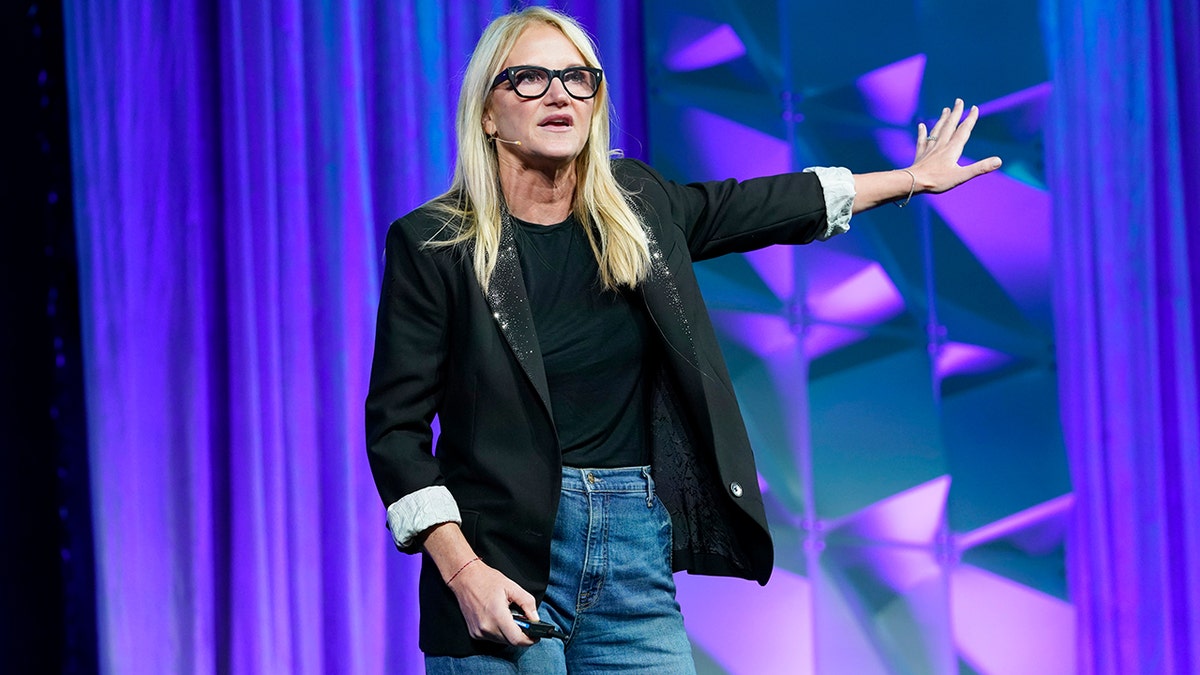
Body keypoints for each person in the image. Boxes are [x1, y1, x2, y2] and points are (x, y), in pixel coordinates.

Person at [365, 6, 1000, 673]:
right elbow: (395, 430)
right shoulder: (435, 243)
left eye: (578, 78)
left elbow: (758, 205)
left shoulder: (638, 205)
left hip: (632, 556)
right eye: (529, 78)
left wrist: (909, 179)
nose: (558, 94)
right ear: (487, 114)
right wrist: (462, 572)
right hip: (501, 558)